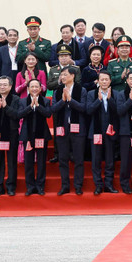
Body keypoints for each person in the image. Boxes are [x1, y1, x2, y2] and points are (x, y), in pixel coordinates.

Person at [50, 66, 88, 195]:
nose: (62, 77)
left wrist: (71, 100)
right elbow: (53, 109)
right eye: (61, 75)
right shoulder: (57, 91)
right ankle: (65, 185)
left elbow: (84, 108)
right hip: (62, 129)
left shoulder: (81, 90)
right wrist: (63, 100)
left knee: (78, 159)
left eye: (65, 74)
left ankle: (78, 185)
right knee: (63, 159)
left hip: (78, 129)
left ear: (72, 76)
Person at [17, 79, 52, 195]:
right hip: (27, 135)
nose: (34, 89)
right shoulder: (22, 101)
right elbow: (19, 115)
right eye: (32, 87)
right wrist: (30, 106)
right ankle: (30, 186)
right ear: (28, 89)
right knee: (28, 162)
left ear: (40, 88)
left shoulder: (46, 101)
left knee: (41, 162)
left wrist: (38, 106)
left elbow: (48, 114)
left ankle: (40, 186)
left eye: (37, 86)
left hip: (42, 134)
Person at [87, 71, 120, 194]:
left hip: (110, 131)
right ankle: (98, 185)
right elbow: (88, 110)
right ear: (98, 81)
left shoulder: (116, 94)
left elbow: (118, 111)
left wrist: (110, 99)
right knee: (96, 160)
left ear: (110, 81)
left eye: (107, 79)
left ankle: (109, 185)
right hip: (95, 131)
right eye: (102, 80)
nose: (104, 82)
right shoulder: (91, 94)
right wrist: (98, 100)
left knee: (110, 160)